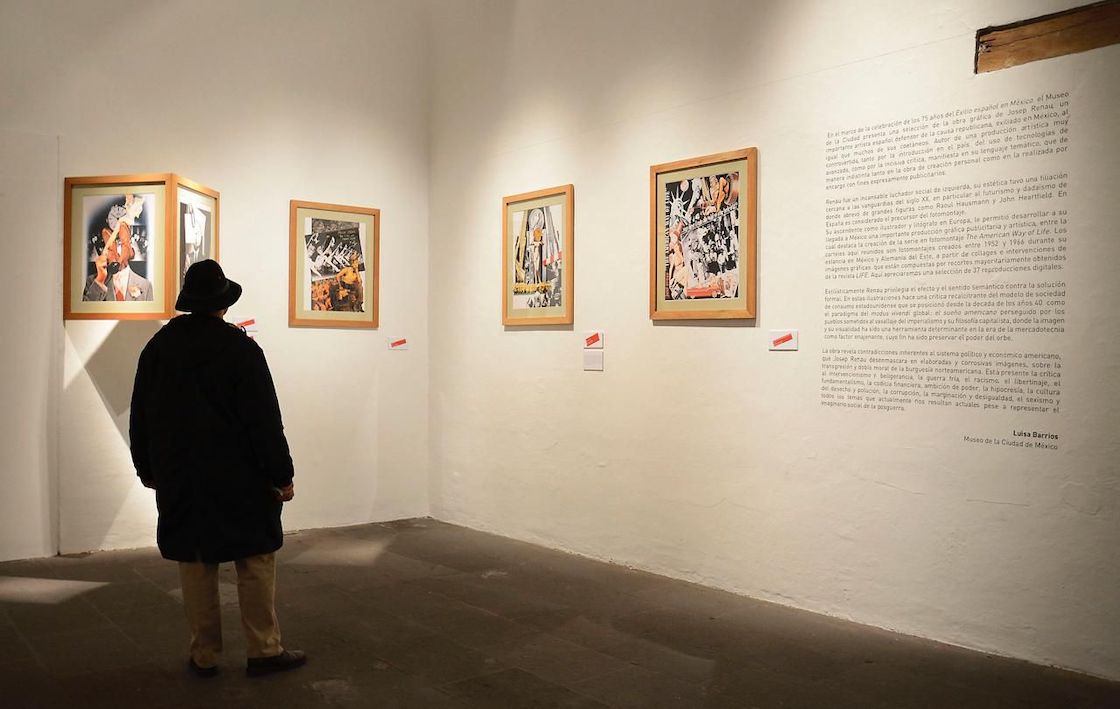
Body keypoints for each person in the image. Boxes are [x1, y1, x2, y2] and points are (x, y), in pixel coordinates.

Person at [129, 259, 306, 678]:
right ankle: (264, 649)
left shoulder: (159, 349)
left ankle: (204, 653)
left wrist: (147, 468)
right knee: (255, 559)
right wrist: (281, 475)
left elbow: (141, 416)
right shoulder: (241, 350)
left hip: (183, 475)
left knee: (195, 563)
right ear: (223, 304)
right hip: (241, 476)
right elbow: (264, 421)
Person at [84, 195, 154, 301]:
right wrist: (100, 280)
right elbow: (83, 309)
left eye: (121, 243)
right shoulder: (92, 283)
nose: (117, 249)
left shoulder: (145, 286)